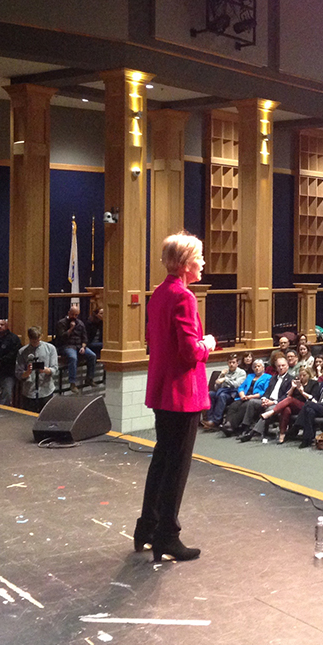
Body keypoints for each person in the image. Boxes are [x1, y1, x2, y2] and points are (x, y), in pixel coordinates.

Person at [135, 232, 215, 563]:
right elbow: (187, 351)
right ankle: (167, 536)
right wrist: (207, 344)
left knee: (161, 460)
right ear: (184, 264)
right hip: (182, 394)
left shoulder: (159, 294)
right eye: (199, 257)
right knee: (177, 466)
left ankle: (147, 528)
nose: (203, 262)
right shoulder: (184, 297)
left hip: (162, 390)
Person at [55, 304, 96, 393]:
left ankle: (89, 378)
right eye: (72, 314)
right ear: (69, 313)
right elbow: (61, 338)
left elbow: (85, 338)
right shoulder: (61, 323)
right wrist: (71, 329)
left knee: (92, 355)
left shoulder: (80, 324)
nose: (74, 317)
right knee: (73, 358)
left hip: (78, 346)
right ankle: (72, 383)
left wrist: (83, 347)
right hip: (67, 346)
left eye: (76, 315)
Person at [16, 326, 58, 413]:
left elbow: (55, 369)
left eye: (37, 340)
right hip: (29, 391)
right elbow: (18, 373)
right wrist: (27, 372)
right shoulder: (22, 351)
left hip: (45, 389)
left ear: (41, 336)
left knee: (45, 417)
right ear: (29, 338)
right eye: (33, 341)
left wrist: (45, 370)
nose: (35, 343)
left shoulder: (50, 349)